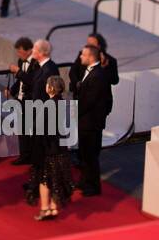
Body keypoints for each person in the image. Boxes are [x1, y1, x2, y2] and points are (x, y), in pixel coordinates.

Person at [30, 77, 75, 220]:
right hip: (61, 147)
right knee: (56, 177)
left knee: (44, 178)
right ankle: (54, 208)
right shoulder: (62, 102)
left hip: (48, 148)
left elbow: (42, 128)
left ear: (50, 88)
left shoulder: (48, 105)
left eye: (47, 84)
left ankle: (45, 209)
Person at [71, 44, 110, 197]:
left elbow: (90, 101)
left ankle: (93, 186)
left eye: (83, 55)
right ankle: (84, 181)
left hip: (91, 123)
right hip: (86, 122)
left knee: (90, 156)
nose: (80, 57)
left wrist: (75, 113)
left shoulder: (98, 75)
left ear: (90, 57)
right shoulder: (92, 72)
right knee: (84, 155)